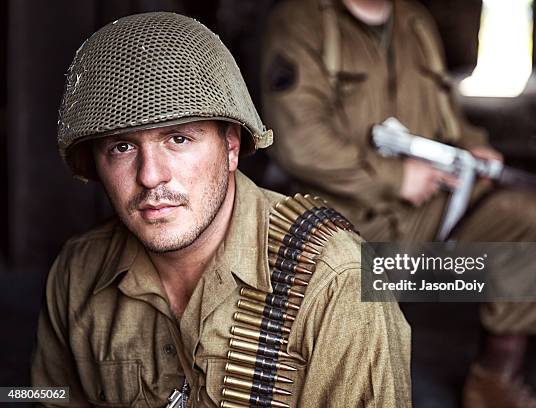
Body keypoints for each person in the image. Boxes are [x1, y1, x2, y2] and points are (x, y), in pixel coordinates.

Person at [30, 12, 412, 407]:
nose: (150, 177)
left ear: (231, 147)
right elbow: (47, 395)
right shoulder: (78, 270)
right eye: (122, 147)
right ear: (96, 163)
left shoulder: (339, 282)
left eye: (178, 139)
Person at [261, 1, 536, 407]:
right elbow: (297, 140)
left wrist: (473, 143)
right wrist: (394, 177)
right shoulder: (302, 21)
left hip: (432, 205)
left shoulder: (415, 21)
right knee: (345, 340)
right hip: (347, 218)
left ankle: (493, 380)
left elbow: (447, 112)